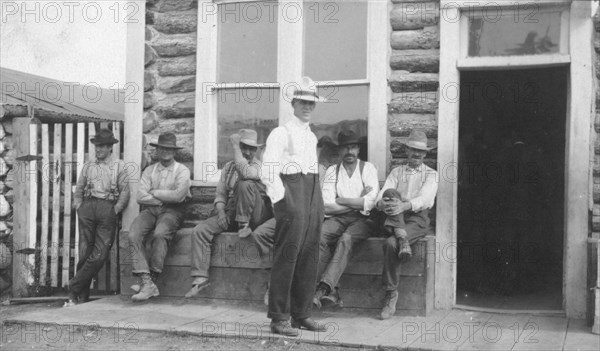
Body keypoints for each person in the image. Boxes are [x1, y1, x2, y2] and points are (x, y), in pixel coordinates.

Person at [260, 76, 326, 336]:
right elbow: (268, 171)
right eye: (302, 102)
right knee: (287, 257)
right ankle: (278, 318)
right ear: (293, 103)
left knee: (309, 257)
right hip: (292, 197)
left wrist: (315, 203)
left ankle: (301, 314)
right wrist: (284, 203)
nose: (307, 107)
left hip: (312, 196)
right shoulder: (281, 133)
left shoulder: (311, 136)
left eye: (311, 103)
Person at [184, 129, 274, 298]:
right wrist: (220, 213)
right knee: (200, 230)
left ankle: (244, 225)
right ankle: (200, 278)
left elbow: (245, 172)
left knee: (244, 183)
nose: (247, 152)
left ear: (256, 151)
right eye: (243, 147)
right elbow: (220, 193)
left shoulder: (261, 167)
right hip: (233, 210)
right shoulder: (228, 167)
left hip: (257, 214)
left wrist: (234, 146)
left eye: (251, 149)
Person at [375, 129, 438, 320]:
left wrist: (404, 205)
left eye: (420, 151)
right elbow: (383, 194)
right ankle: (402, 239)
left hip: (417, 219)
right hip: (395, 217)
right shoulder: (397, 172)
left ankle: (391, 292)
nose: (416, 154)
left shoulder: (431, 174)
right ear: (407, 151)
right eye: (413, 150)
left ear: (425, 154)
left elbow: (426, 199)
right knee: (391, 194)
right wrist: (383, 203)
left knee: (390, 243)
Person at [313, 130, 379, 309]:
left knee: (346, 239)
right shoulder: (332, 171)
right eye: (345, 148)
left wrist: (341, 200)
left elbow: (371, 202)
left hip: (363, 220)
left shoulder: (368, 168)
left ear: (358, 149)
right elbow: (326, 205)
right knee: (318, 236)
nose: (349, 152)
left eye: (353, 147)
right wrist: (357, 200)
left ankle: (323, 289)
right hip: (338, 218)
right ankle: (332, 291)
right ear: (339, 151)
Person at [66, 129, 130, 307]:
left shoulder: (119, 166)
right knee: (86, 251)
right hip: (88, 207)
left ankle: (73, 287)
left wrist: (115, 209)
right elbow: (79, 187)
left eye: (102, 146)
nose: (98, 149)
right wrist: (79, 205)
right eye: (97, 145)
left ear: (111, 147)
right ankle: (82, 296)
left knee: (100, 254)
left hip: (107, 208)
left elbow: (125, 191)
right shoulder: (89, 165)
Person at [128, 132, 191, 302]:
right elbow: (140, 196)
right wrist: (162, 199)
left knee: (160, 233)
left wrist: (154, 192)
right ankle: (146, 281)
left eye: (169, 149)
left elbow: (178, 196)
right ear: (157, 150)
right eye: (162, 148)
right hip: (151, 210)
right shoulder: (149, 170)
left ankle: (151, 280)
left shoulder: (182, 171)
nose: (165, 152)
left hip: (173, 211)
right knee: (133, 233)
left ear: (174, 151)